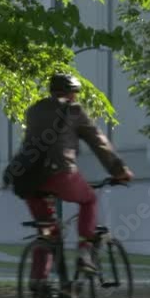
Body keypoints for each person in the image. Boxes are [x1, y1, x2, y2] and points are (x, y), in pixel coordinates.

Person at [15, 73, 134, 281]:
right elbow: (99, 143)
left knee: (48, 231)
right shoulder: (75, 111)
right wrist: (119, 170)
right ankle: (85, 252)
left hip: (27, 178)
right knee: (89, 200)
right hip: (60, 172)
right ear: (72, 93)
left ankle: (39, 288)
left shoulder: (33, 110)